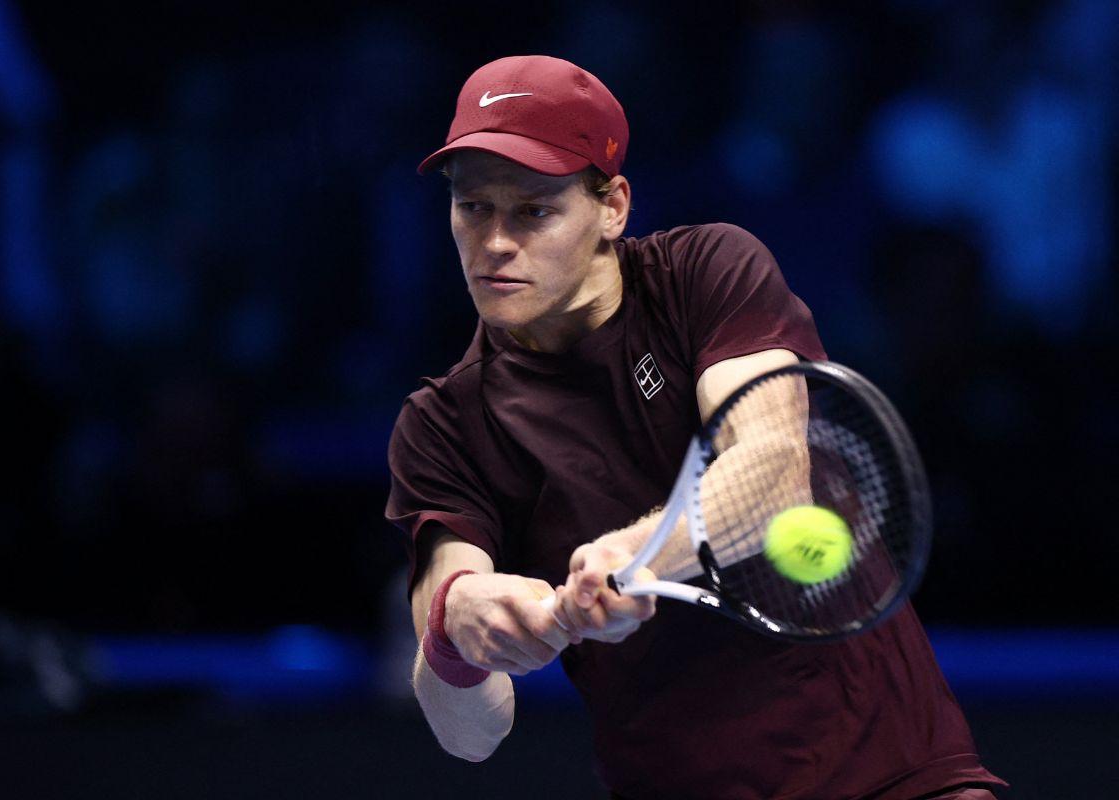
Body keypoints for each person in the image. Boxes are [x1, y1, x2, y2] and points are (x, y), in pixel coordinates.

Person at [385, 55, 1006, 800]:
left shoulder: (707, 273)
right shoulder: (442, 425)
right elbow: (470, 733)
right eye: (473, 207)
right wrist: (460, 633)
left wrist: (634, 556)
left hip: (896, 779)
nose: (493, 244)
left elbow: (772, 473)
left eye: (533, 210)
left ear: (611, 207)